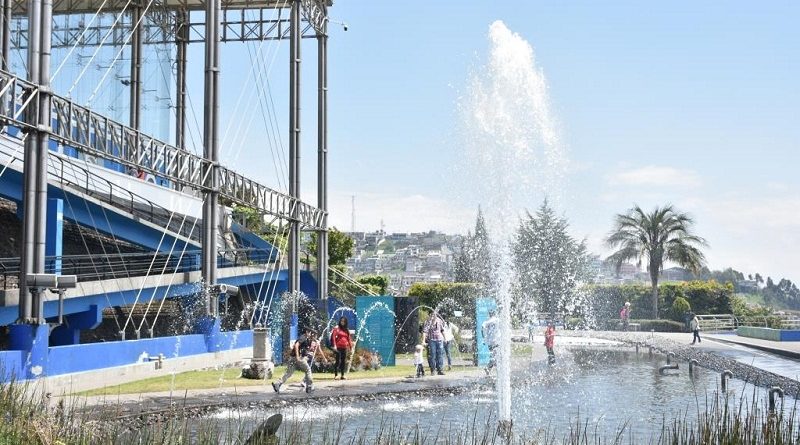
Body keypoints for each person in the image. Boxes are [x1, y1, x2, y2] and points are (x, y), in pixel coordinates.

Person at [272, 327, 320, 394]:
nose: (311, 334)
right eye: (310, 332)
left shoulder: (306, 339)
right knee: (308, 370)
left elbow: (304, 349)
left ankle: (277, 384)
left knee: (288, 373)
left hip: (293, 358)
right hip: (298, 358)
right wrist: (298, 356)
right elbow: (296, 345)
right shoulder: (303, 337)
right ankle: (309, 386)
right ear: (306, 332)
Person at [422, 311, 446, 375]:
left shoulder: (439, 320)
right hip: (431, 340)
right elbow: (425, 331)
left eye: (434, 314)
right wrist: (423, 341)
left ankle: (440, 370)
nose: (433, 316)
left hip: (440, 340)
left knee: (440, 355)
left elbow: (442, 330)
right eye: (432, 315)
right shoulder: (428, 322)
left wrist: (445, 338)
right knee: (432, 355)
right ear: (430, 315)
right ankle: (433, 370)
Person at [481, 310, 499, 375]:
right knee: (496, 356)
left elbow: (482, 327)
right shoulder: (497, 320)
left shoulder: (488, 321)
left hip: (490, 342)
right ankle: (488, 367)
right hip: (496, 341)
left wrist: (484, 338)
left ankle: (489, 369)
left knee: (494, 356)